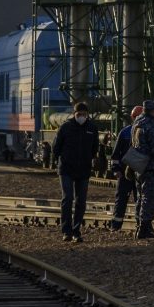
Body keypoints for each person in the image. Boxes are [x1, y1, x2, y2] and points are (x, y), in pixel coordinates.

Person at [52, 102, 99, 243]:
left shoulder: (92, 128)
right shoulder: (65, 127)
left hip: (83, 169)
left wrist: (90, 159)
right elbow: (56, 147)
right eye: (79, 114)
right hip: (66, 169)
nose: (82, 117)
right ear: (74, 114)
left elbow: (95, 148)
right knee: (67, 198)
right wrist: (60, 161)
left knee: (81, 201)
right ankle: (66, 231)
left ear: (87, 114)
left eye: (84, 114)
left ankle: (76, 231)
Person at [133, 99, 154, 240]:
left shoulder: (137, 123)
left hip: (138, 165)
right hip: (151, 167)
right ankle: (144, 228)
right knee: (150, 197)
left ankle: (139, 225)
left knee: (140, 197)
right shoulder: (152, 126)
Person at [109, 105, 144, 231]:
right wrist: (116, 169)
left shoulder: (141, 132)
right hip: (127, 172)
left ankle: (139, 225)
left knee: (139, 199)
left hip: (139, 172)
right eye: (136, 116)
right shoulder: (125, 133)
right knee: (123, 198)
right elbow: (116, 154)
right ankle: (116, 225)